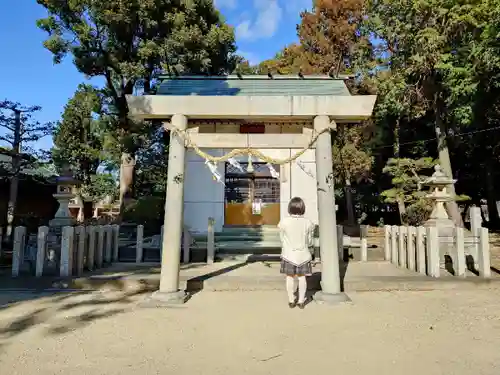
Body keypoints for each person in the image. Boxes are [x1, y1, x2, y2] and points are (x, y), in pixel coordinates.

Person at [278, 196, 315, 309]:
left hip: (288, 254)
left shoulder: (284, 222)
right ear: (302, 208)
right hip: (303, 254)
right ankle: (301, 301)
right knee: (301, 277)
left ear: (290, 208)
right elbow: (309, 241)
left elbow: (282, 238)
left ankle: (291, 300)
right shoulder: (308, 223)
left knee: (289, 277)